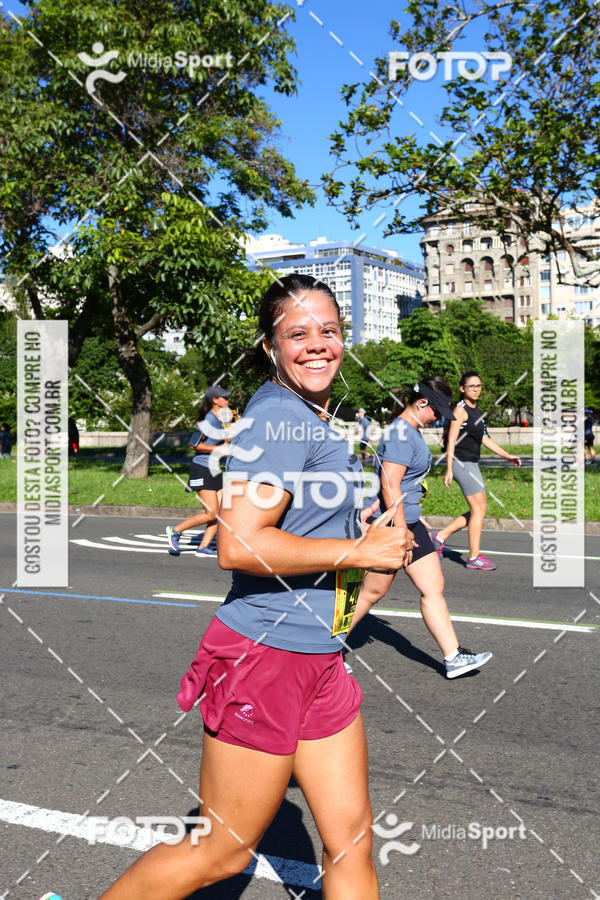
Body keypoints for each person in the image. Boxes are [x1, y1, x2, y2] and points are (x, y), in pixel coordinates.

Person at [98, 274, 411, 900]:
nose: (317, 344)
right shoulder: (275, 418)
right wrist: (360, 548)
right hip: (264, 658)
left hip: (320, 656)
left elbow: (304, 527)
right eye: (298, 333)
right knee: (219, 853)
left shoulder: (311, 416)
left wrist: (362, 537)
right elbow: (238, 545)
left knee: (351, 839)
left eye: (329, 330)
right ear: (271, 347)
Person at [352, 378, 492, 679]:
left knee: (433, 586)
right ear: (422, 403)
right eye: (438, 411)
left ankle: (453, 657)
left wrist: (418, 520)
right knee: (371, 592)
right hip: (393, 525)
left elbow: (407, 485)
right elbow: (390, 486)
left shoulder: (410, 431)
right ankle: (321, 651)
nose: (440, 418)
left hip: (409, 522)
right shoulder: (402, 433)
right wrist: (401, 529)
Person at [433, 372, 522, 570]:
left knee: (478, 509)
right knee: (479, 509)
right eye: (472, 386)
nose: (476, 389)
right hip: (460, 463)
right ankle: (473, 558)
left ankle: (439, 537)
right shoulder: (460, 410)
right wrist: (448, 468)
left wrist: (507, 456)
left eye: (479, 386)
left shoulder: (476, 409)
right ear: (462, 389)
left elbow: (484, 438)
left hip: (471, 463)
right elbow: (451, 440)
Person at [166, 386, 232, 557]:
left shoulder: (220, 419)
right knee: (211, 513)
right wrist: (219, 449)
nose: (228, 400)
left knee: (221, 512)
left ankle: (203, 547)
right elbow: (193, 444)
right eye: (224, 398)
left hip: (214, 468)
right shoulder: (209, 419)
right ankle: (175, 530)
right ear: (215, 400)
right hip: (202, 468)